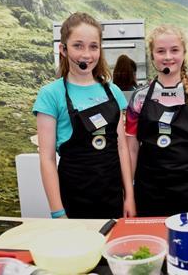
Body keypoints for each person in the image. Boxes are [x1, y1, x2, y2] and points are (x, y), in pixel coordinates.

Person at [32, 12, 136, 219]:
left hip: (112, 195)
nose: (86, 55)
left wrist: (129, 196)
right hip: (73, 198)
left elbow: (122, 148)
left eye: (93, 46)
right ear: (63, 49)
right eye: (78, 45)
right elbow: (47, 159)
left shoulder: (113, 91)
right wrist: (58, 212)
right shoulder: (50, 95)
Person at [126, 25, 188, 217]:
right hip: (149, 190)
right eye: (161, 51)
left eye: (174, 50)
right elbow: (132, 148)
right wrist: (128, 195)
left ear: (184, 54)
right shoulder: (139, 97)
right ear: (152, 56)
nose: (168, 56)